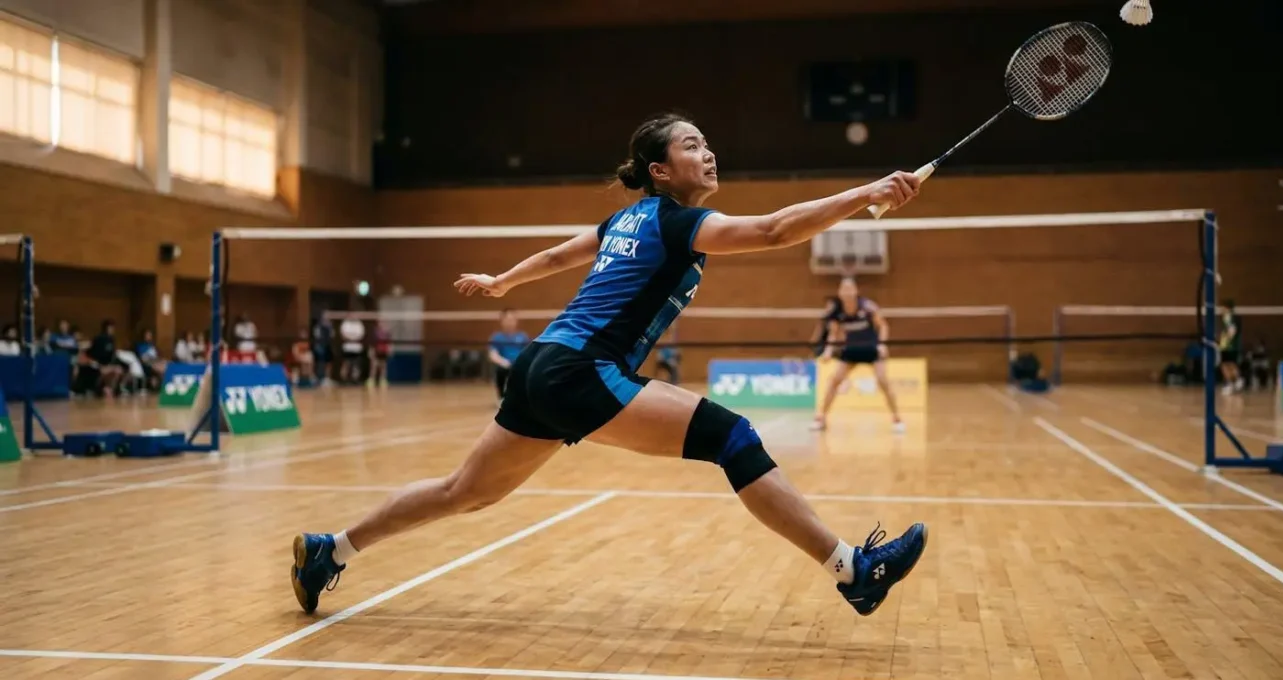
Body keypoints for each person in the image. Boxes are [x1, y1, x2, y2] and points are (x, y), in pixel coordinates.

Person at [290, 113, 928, 619]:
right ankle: (852, 571)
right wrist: (870, 192)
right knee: (731, 437)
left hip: (538, 365)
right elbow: (771, 231)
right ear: (661, 168)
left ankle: (331, 550)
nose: (707, 152)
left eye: (707, 143)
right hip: (581, 369)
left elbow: (553, 257)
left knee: (465, 492)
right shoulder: (678, 223)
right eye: (692, 144)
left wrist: (501, 282)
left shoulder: (625, 218)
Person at [811, 278, 904, 432]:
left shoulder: (867, 307)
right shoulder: (837, 311)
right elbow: (833, 334)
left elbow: (883, 326)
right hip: (851, 350)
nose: (847, 292)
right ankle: (821, 418)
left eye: (850, 289)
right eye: (844, 289)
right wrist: (828, 351)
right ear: (840, 292)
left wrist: (882, 345)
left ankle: (897, 419)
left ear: (856, 291)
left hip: (871, 349)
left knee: (883, 381)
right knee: (834, 381)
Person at [487, 309, 530, 400]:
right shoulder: (496, 337)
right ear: (502, 321)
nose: (510, 322)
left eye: (512, 320)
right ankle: (502, 398)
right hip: (505, 365)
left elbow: (528, 353)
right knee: (500, 370)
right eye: (507, 320)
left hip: (519, 365)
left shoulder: (523, 336)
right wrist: (503, 362)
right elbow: (492, 354)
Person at [1219, 300, 1243, 394]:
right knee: (1229, 364)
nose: (1221, 309)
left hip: (1229, 346)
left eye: (1223, 307)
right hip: (1229, 345)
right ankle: (1235, 382)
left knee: (1227, 365)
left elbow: (1232, 330)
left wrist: (1227, 341)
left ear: (1227, 308)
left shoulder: (1229, 317)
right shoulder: (1230, 318)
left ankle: (1233, 382)